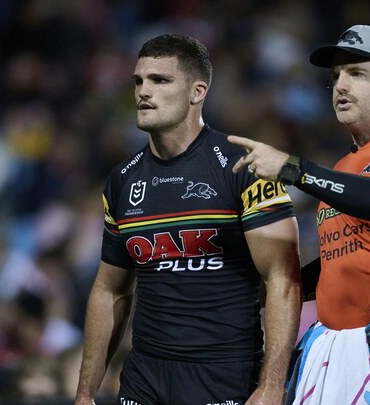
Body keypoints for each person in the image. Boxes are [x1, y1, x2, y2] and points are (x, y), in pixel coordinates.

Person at [228, 25, 370, 404]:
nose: (340, 85)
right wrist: (270, 287)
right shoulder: (344, 167)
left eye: (356, 73)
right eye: (336, 76)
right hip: (332, 351)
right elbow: (342, 259)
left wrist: (294, 169)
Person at [74, 33, 302, 405]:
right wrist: (85, 392)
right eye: (138, 81)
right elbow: (110, 289)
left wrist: (272, 384)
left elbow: (282, 279)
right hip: (144, 379)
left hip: (223, 377)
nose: (143, 91)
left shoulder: (244, 166)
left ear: (198, 92)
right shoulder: (122, 180)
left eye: (159, 80)